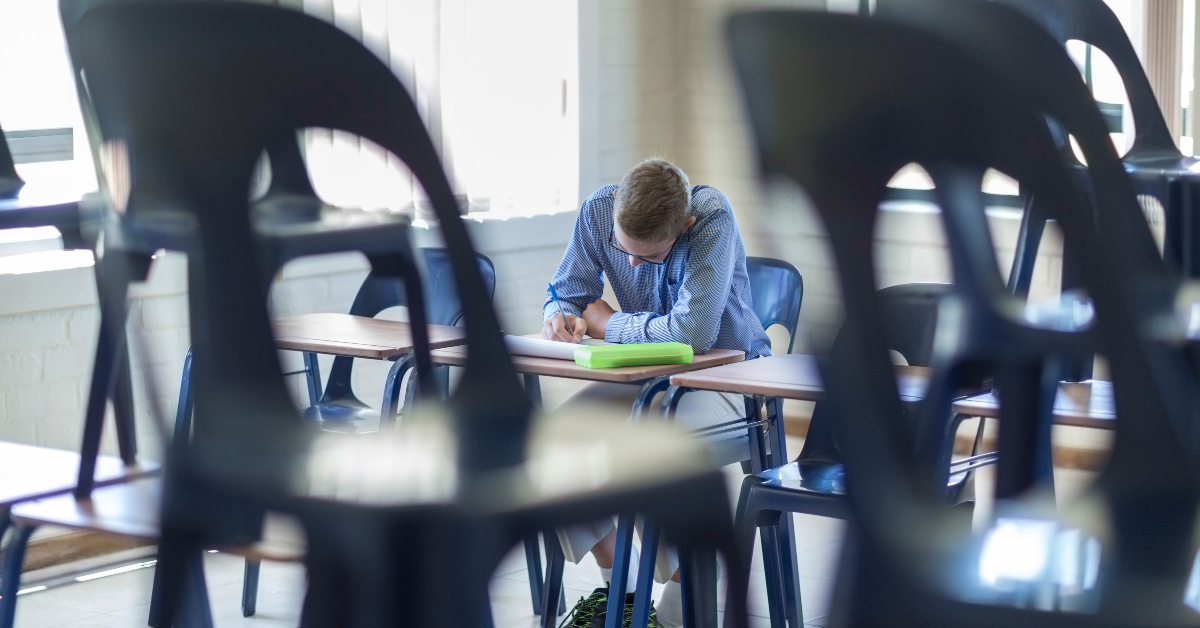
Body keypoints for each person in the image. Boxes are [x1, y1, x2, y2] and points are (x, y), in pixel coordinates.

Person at [542, 158, 770, 628]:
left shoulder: (711, 216)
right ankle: (624, 595)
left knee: (643, 447)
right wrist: (558, 315)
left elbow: (693, 334)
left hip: (736, 380)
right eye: (621, 248)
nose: (631, 264)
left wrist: (609, 323)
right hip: (652, 380)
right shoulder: (599, 209)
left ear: (683, 226)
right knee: (555, 439)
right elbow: (568, 291)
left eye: (648, 258)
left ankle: (681, 603)